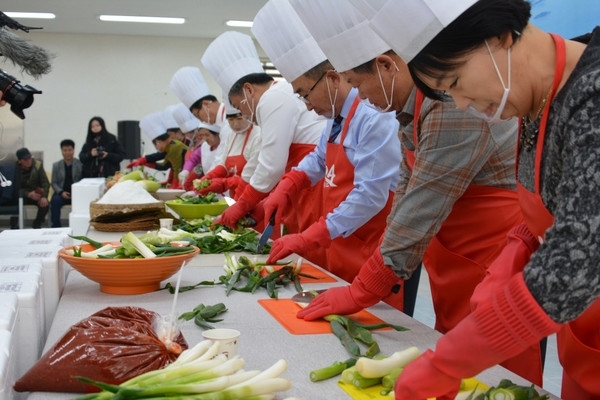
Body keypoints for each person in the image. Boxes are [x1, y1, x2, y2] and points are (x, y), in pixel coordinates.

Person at [346, 1, 600, 399]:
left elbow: (579, 258)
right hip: (583, 343)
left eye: (456, 82)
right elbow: (552, 204)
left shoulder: (593, 94)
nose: (462, 105)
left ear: (499, 38)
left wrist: (449, 362)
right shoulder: (539, 97)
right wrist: (517, 250)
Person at [290, 0, 540, 383]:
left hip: (494, 252)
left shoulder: (451, 104)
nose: (359, 95)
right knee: (462, 367)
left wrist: (361, 290)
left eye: (357, 84)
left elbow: (422, 204)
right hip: (455, 255)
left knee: (497, 376)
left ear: (388, 66)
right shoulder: (412, 105)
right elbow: (408, 193)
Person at [250, 0, 401, 288]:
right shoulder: (336, 117)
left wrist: (310, 235)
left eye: (305, 94)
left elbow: (370, 195)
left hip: (372, 245)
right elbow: (319, 159)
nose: (306, 107)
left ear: (332, 79)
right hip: (342, 242)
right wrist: (289, 184)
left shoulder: (373, 116)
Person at [200, 31, 325, 234]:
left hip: (314, 185)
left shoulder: (273, 97)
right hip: (304, 187)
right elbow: (259, 160)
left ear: (249, 90)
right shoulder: (275, 97)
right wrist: (245, 201)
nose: (244, 115)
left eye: (239, 108)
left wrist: (242, 204)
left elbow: (271, 165)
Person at [193, 99, 261, 199]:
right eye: (231, 120)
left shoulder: (258, 134)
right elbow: (223, 165)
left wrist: (225, 183)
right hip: (235, 196)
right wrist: (209, 177)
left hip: (253, 196)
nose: (235, 124)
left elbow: (256, 174)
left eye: (239, 118)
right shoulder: (231, 135)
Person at [128, 111, 188, 188]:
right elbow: (165, 166)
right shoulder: (169, 147)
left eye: (155, 145)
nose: (156, 148)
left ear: (158, 142)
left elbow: (177, 168)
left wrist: (175, 184)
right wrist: (146, 163)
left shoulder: (174, 146)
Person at [49, 139, 83, 228]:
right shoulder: (56, 165)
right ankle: (56, 226)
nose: (67, 152)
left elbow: (82, 181)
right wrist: (61, 192)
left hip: (76, 194)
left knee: (84, 202)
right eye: (65, 150)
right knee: (55, 201)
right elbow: (54, 182)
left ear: (73, 150)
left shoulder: (80, 164)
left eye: (70, 150)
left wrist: (76, 192)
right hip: (61, 194)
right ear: (61, 151)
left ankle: (79, 226)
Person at [16, 147, 49, 229]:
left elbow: (45, 183)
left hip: (36, 194)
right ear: (20, 161)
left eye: (29, 158)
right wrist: (28, 194)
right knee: (15, 202)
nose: (28, 161)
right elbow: (14, 188)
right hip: (23, 195)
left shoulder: (38, 165)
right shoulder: (15, 169)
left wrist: (44, 196)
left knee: (45, 204)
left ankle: (37, 223)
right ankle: (14, 224)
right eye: (25, 159)